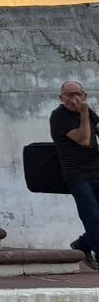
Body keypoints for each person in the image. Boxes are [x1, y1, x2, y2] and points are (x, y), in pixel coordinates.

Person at [52, 80, 99, 271]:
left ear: (85, 95)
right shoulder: (58, 116)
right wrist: (84, 114)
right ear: (61, 98)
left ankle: (82, 244)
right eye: (69, 95)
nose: (74, 99)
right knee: (92, 216)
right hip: (77, 174)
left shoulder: (88, 112)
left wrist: (89, 114)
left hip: (96, 169)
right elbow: (84, 139)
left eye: (78, 94)